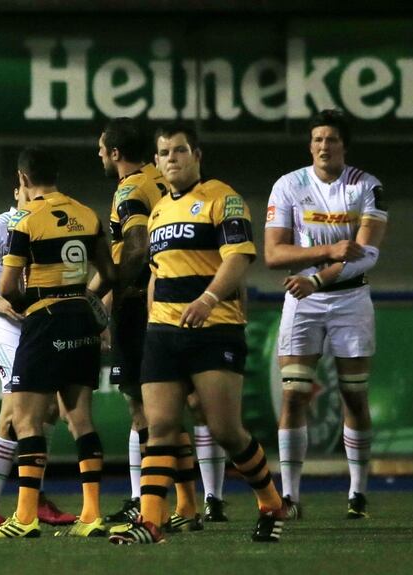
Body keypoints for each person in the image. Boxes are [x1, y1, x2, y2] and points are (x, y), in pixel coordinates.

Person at [110, 123, 286, 545]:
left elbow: (239, 257)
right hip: (164, 332)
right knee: (161, 425)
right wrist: (154, 316)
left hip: (215, 328)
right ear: (156, 161)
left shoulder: (222, 198)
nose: (172, 158)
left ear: (197, 155)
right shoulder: (157, 212)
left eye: (180, 150)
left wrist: (208, 299)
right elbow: (157, 272)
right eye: (164, 152)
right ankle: (151, 522)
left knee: (226, 431)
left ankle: (270, 501)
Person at [0, 147, 115, 539]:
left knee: (26, 419)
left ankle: (23, 517)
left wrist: (33, 302)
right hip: (81, 318)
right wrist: (83, 299)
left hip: (45, 319)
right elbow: (108, 272)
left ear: (22, 179)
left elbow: (7, 287)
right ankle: (91, 515)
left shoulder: (25, 220)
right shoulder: (87, 214)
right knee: (80, 419)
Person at [95, 118, 226, 530]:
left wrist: (109, 291)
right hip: (170, 299)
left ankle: (157, 506)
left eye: (102, 149)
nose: (99, 155)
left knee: (144, 412)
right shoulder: (157, 181)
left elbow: (135, 247)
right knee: (176, 411)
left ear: (116, 153)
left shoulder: (130, 189)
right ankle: (187, 505)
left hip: (140, 305)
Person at [265, 109, 387, 520]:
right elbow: (274, 254)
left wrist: (318, 278)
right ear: (309, 144)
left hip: (349, 298)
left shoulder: (366, 187)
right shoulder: (288, 186)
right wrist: (329, 252)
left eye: (331, 139)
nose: (323, 146)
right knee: (295, 394)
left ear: (343, 145)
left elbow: (367, 253)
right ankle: (292, 495)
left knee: (353, 393)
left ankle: (357, 491)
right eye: (317, 139)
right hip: (303, 301)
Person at [0, 187, 78, 529]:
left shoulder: (47, 224)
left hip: (37, 329)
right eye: (29, 191)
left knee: (46, 410)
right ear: (18, 188)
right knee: (14, 413)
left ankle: (34, 496)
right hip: (4, 329)